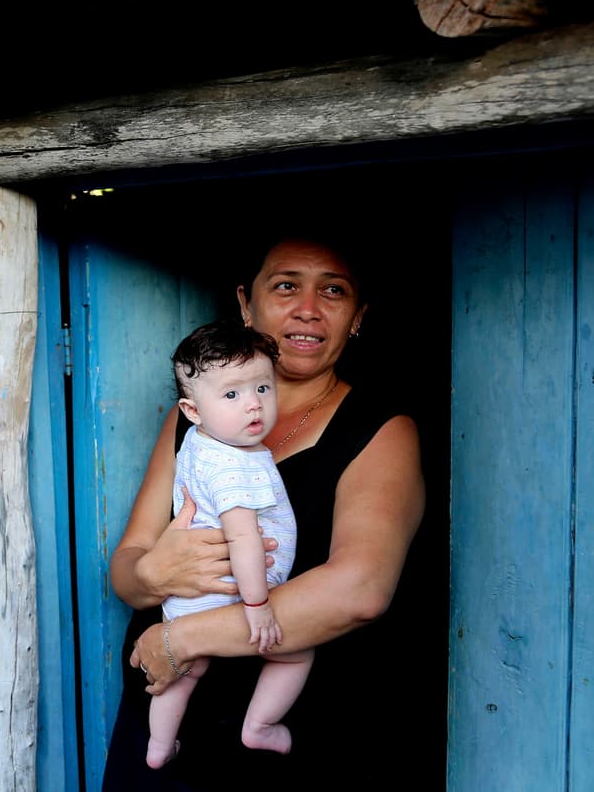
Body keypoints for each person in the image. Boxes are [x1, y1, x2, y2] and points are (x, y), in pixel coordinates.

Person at [101, 230, 428, 790]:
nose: (307, 309)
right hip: (167, 717)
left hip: (291, 734)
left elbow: (361, 591)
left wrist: (182, 639)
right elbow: (127, 569)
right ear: (245, 304)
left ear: (357, 316)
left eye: (333, 291)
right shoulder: (193, 420)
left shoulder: (382, 429)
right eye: (285, 286)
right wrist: (153, 573)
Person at [146, 320, 314, 768]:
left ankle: (159, 746)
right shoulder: (236, 465)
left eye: (262, 387)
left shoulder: (199, 444)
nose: (254, 405)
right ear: (192, 410)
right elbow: (243, 537)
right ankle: (259, 726)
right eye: (232, 395)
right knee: (298, 650)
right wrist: (258, 604)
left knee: (185, 670)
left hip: (187, 598)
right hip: (232, 593)